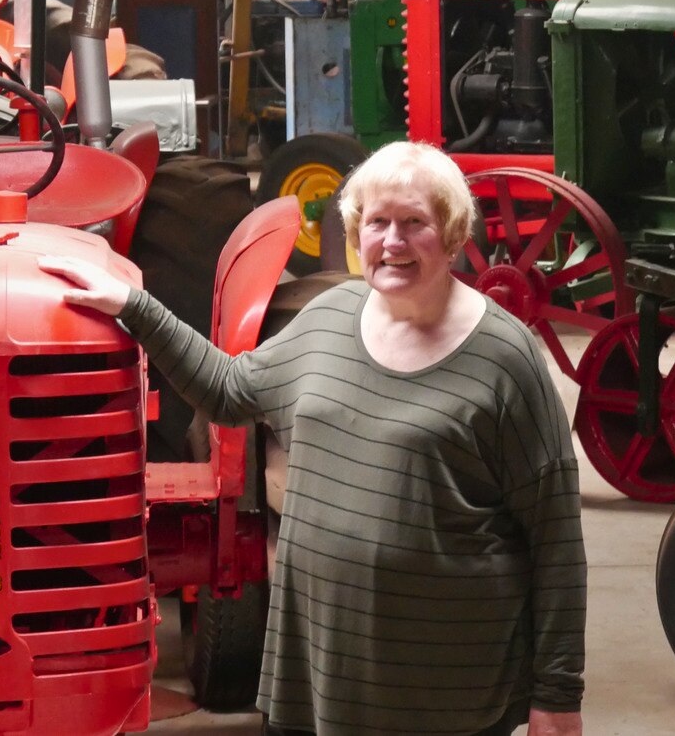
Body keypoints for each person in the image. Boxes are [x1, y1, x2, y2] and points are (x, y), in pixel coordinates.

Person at [40, 141, 586, 736]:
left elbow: (555, 540)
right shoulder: (330, 317)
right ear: (356, 232)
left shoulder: (506, 359)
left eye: (414, 224)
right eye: (376, 222)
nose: (392, 242)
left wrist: (556, 697)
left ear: (453, 236)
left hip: (448, 695)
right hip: (317, 680)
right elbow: (229, 388)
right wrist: (135, 309)